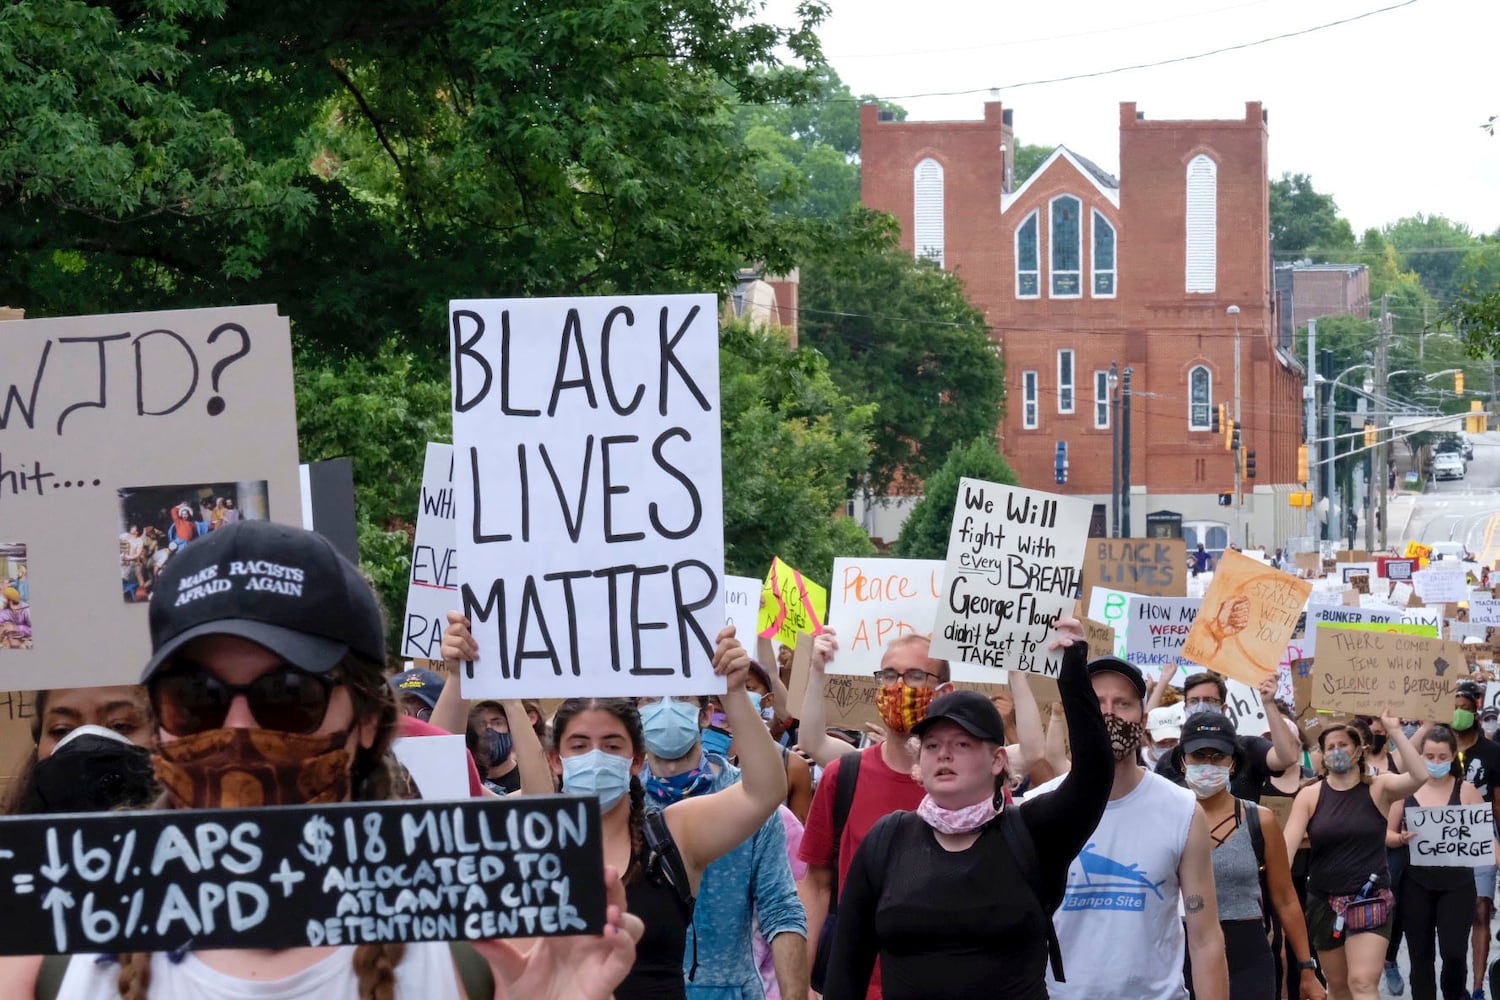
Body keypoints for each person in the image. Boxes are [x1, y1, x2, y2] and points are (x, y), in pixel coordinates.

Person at [43, 519, 643, 1000]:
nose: (239, 728)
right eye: (194, 699)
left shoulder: (483, 950)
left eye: (288, 696)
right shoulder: (50, 944)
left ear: (362, 722)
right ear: (159, 721)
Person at [444, 611, 788, 1000]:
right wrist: (459, 679)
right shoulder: (527, 841)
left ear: (636, 761)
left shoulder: (675, 834)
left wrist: (733, 692)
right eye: (579, 745)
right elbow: (436, 786)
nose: (595, 756)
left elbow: (763, 792)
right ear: (556, 760)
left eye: (611, 745)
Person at [822, 627, 1112, 1000]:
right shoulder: (887, 840)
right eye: (932, 744)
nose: (944, 753)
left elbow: (1093, 776)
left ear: (998, 760)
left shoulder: (1033, 833)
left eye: (962, 743)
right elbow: (846, 970)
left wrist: (1072, 668)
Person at [1030, 654, 1229, 1000]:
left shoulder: (1182, 811)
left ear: (1144, 718)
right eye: (1096, 702)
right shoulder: (1035, 809)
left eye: (1122, 704)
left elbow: (1205, 938)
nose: (1108, 713)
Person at [795, 631, 947, 999]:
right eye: (889, 676)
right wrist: (799, 985)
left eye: (914, 676)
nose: (898, 688)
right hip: (853, 984)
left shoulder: (972, 783)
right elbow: (816, 886)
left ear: (943, 692)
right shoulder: (843, 777)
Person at [635, 692, 808, 1000]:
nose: (666, 708)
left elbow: (781, 908)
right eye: (650, 699)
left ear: (706, 715)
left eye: (681, 697)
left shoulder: (749, 802)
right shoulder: (620, 805)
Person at [1172, 710, 1325, 1000]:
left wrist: (1307, 967)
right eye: (1198, 756)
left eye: (1217, 757)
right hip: (1179, 956)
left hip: (1248, 958)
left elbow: (1285, 897)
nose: (1208, 764)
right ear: (1182, 760)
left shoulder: (1260, 821)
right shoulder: (1165, 815)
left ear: (1233, 763)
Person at [1281, 718, 1429, 1000]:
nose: (1336, 750)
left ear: (1358, 749)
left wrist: (1395, 730)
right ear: (1322, 755)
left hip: (1369, 898)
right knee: (1338, 987)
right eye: (1330, 746)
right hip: (1324, 901)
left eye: (1343, 744)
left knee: (1362, 982)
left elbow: (1419, 776)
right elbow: (1287, 848)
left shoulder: (1379, 787)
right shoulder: (1310, 795)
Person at [1386, 725, 1481, 1000]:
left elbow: (1485, 837)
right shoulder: (1405, 789)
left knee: (1454, 954)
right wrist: (1401, 838)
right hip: (1416, 883)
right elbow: (1386, 834)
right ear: (1420, 756)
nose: (1436, 762)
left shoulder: (1467, 791)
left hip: (1458, 884)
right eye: (1430, 756)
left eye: (1442, 757)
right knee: (1420, 956)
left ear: (1453, 756)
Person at [1152, 670, 1302, 802]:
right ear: (1185, 708)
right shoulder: (1168, 761)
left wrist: (1268, 703)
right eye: (1194, 701)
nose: (1201, 706)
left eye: (1210, 700)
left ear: (1224, 708)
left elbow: (1288, 757)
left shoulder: (1248, 747)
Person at [1449, 682, 1500, 1000]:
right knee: (1454, 913)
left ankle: (1479, 986)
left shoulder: (1492, 752)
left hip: (1482, 836)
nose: (1460, 714)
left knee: (1482, 909)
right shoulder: (1436, 746)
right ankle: (1455, 979)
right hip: (1441, 840)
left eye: (1466, 709)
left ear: (1476, 712)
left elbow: (1498, 804)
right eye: (1455, 707)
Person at [1144, 703, 1184, 770]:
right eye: (1162, 742)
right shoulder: (1138, 762)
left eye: (1173, 741)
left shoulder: (1186, 762)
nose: (1168, 746)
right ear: (1147, 738)